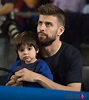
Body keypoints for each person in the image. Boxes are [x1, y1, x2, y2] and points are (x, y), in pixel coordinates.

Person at [6, 4, 82, 91]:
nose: (41, 28)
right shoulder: (28, 48)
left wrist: (38, 78)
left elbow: (75, 92)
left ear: (60, 31)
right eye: (40, 23)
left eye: (48, 24)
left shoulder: (72, 55)